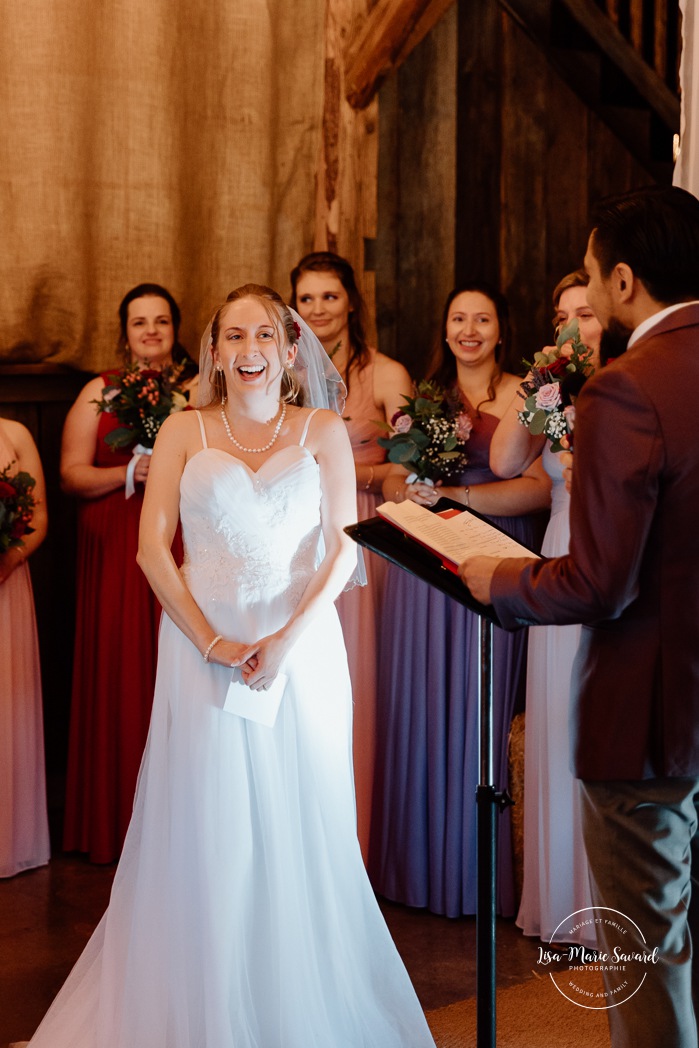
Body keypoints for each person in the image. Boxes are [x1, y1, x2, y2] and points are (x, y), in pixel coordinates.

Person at [26, 283, 436, 1048]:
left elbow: (344, 547)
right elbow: (155, 548)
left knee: (299, 818)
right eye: (231, 337)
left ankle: (300, 1003)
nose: (247, 351)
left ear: (288, 351)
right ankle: (203, 1004)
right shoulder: (185, 429)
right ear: (213, 352)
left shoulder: (320, 430)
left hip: (301, 649)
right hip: (199, 647)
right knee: (209, 823)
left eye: (263, 337)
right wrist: (212, 643)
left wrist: (283, 642)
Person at [460, 186, 699, 1048]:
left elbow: (600, 583)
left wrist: (499, 581)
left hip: (652, 717)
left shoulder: (627, 390)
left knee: (645, 966)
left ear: (626, 280)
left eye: (594, 277)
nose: (591, 296)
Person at [369, 282, 551, 917]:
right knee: (424, 701)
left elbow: (542, 488)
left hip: (500, 553)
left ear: (503, 331)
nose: (468, 330)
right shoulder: (426, 397)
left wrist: (464, 499)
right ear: (444, 329)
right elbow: (394, 473)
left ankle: (484, 875)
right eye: (457, 319)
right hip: (429, 561)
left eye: (482, 319)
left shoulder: (528, 392)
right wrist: (408, 483)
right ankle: (420, 869)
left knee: (486, 706)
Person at [61, 283, 196, 864]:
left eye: (161, 322)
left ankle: (180, 826)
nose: (150, 332)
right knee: (121, 666)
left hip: (179, 539)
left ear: (174, 330)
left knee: (177, 667)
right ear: (125, 333)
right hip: (115, 543)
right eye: (139, 322)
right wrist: (132, 472)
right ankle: (116, 821)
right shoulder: (99, 390)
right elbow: (71, 475)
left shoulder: (198, 393)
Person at [489, 271, 602, 946]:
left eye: (583, 315)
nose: (569, 328)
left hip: (612, 558)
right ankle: (562, 900)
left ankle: (611, 897)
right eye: (559, 316)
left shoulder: (626, 385)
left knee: (597, 725)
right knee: (556, 722)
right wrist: (537, 386)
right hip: (558, 551)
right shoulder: (554, 389)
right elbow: (504, 459)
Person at [290, 251, 413, 858]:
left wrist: (355, 473)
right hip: (290, 534)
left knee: (353, 676)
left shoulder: (385, 374)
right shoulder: (281, 371)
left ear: (351, 303)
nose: (317, 311)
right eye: (306, 299)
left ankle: (351, 842)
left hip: (362, 530)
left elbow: (412, 463)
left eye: (329, 298)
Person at [0, 418, 50, 878]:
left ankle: (10, 837)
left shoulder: (14, 434)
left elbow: (37, 518)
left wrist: (7, 560)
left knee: (6, 708)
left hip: (6, 582)